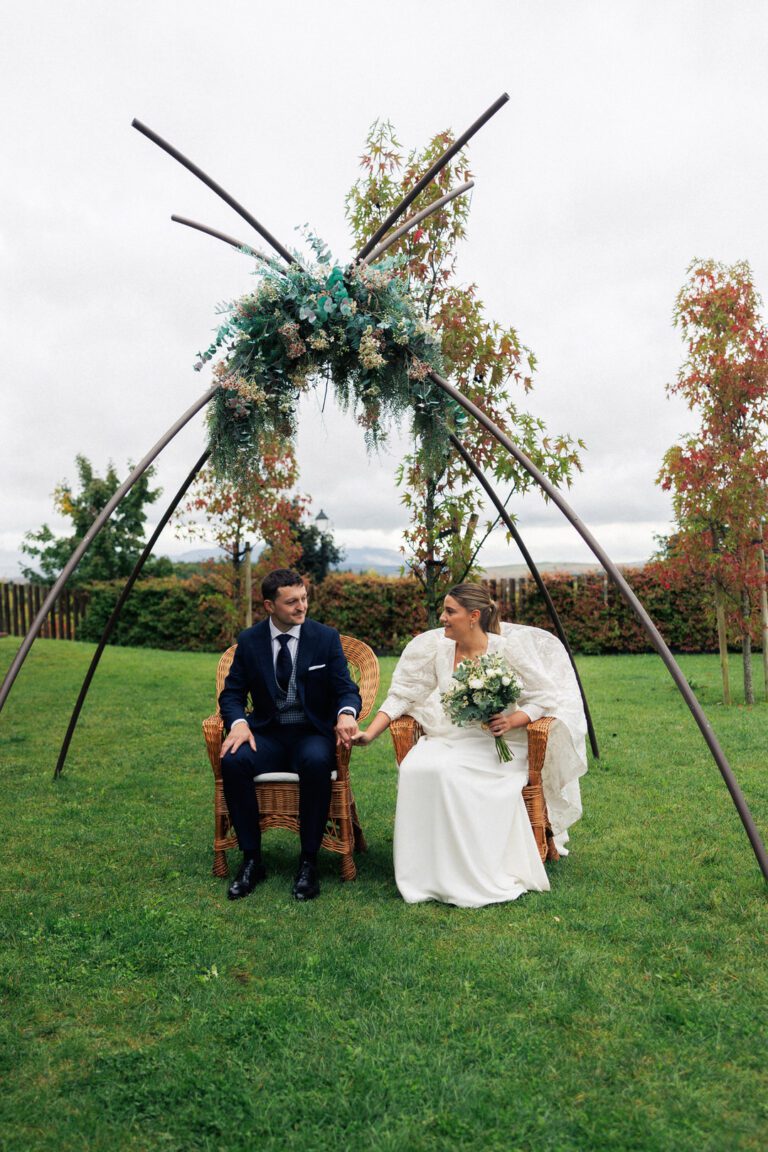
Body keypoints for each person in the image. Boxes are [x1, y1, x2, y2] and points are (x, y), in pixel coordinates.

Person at [355, 583, 587, 908]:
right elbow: (403, 695)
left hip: (497, 745)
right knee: (416, 767)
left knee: (449, 774)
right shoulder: (438, 650)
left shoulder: (504, 650)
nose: (443, 617)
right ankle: (425, 874)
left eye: (450, 611)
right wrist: (371, 732)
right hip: (448, 737)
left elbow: (545, 697)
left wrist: (511, 721)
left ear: (473, 616)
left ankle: (468, 873)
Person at [219, 568, 362, 902]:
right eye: (292, 602)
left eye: (304, 598)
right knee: (233, 760)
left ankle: (309, 861)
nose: (302, 607)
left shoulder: (324, 638)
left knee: (315, 761)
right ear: (270, 606)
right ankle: (252, 859)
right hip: (266, 733)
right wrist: (238, 723)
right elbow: (232, 694)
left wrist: (345, 714)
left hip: (311, 732)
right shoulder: (250, 641)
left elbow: (346, 689)